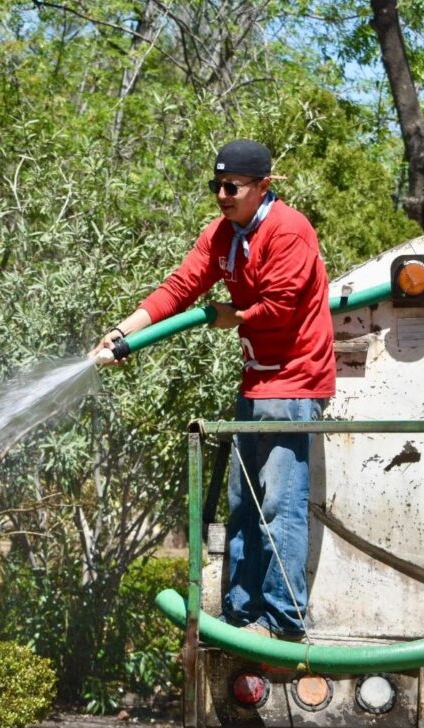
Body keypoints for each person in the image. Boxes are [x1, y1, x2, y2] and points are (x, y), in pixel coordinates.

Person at [91, 139, 335, 640]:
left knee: (279, 505)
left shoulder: (288, 230)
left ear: (262, 186)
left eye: (232, 187)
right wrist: (122, 332)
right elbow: (179, 288)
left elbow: (281, 308)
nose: (222, 195)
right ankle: (241, 615)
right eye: (216, 186)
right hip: (256, 380)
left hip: (294, 381)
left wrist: (232, 316)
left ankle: (282, 622)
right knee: (243, 505)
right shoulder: (222, 234)